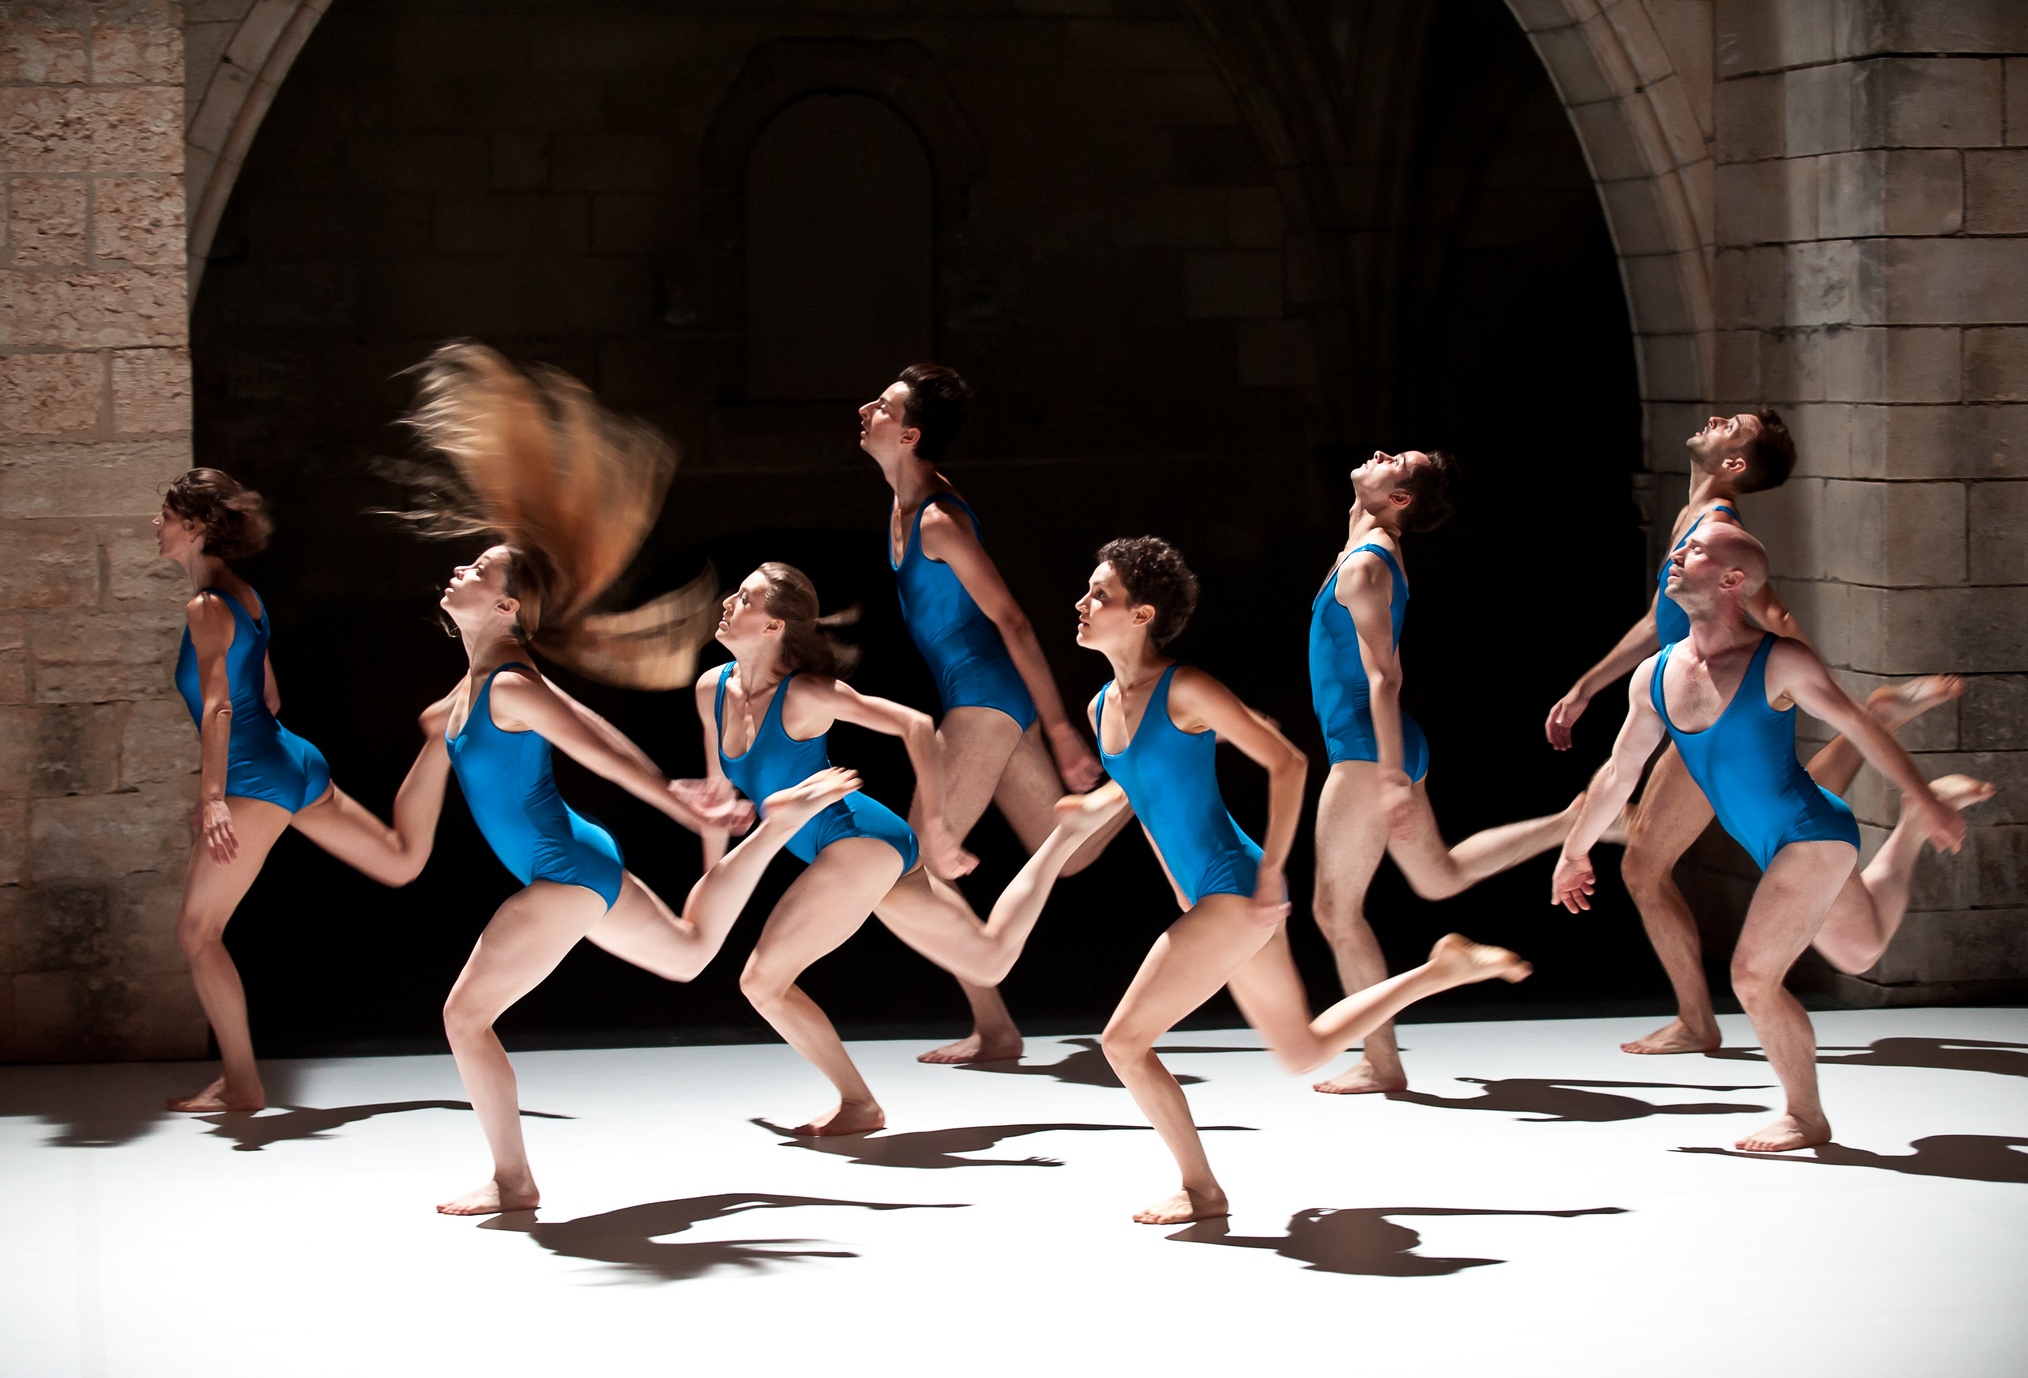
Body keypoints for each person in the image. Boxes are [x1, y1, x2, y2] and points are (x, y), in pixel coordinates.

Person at [395, 342, 776, 1215]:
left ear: (506, 606)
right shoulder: (476, 686)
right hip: (579, 857)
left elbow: (596, 742)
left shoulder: (511, 684)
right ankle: (772, 830)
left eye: (478, 570)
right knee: (688, 956)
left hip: (564, 873)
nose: (459, 571)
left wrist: (671, 794)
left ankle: (513, 1181)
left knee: (463, 1017)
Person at [1078, 536, 1532, 1224]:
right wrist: (1180, 888)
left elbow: (1287, 763)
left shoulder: (1185, 688)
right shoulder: (1101, 707)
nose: (1082, 604)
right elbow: (1149, 810)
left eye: (1099, 594)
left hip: (1238, 887)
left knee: (1122, 1043)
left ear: (1142, 615)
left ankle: (1202, 1190)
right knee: (1303, 1051)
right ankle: (1441, 969)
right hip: (1210, 894)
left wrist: (1269, 873)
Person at [1555, 522, 1991, 1151]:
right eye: (1682, 546)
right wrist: (1575, 850)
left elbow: (1861, 730)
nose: (1678, 554)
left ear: (1732, 581)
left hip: (1812, 834)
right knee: (1862, 950)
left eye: (1697, 551)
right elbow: (1619, 774)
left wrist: (1921, 788)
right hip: (1772, 845)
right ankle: (1911, 831)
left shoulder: (1779, 660)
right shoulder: (1654, 675)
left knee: (1753, 977)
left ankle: (1805, 1116)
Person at [1545, 411, 1963, 1054]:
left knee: (1645, 864)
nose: (1714, 419)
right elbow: (1658, 622)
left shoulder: (1718, 532)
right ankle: (1875, 724)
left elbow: (1772, 614)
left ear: (1735, 464)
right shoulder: (1692, 524)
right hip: (1688, 699)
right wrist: (1589, 684)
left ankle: (1697, 1021)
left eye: (1730, 426)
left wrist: (1791, 691)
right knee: (1840, 929)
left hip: (1712, 706)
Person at [699, 562, 1126, 1136]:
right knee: (989, 959)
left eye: (746, 598)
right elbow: (718, 801)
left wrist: (939, 828)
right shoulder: (712, 689)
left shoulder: (806, 695)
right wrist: (713, 895)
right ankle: (1070, 834)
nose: (728, 602)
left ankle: (858, 1103)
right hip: (853, 849)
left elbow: (916, 726)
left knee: (762, 982)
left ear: (775, 626)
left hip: (860, 842)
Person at [1308, 450, 1604, 1096]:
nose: (1379, 454)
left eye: (1394, 462)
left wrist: (1390, 777)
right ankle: (1575, 820)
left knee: (1335, 911)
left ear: (1401, 500)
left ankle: (1381, 1062)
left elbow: (1385, 677)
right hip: (1382, 743)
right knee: (1438, 876)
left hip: (1367, 749)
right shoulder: (1366, 544)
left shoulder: (1365, 564)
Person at [159, 468, 448, 1115]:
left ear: (196, 526)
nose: (158, 524)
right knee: (401, 861)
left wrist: (215, 798)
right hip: (291, 760)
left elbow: (220, 707)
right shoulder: (245, 597)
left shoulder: (205, 607)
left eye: (168, 514)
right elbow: (269, 698)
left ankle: (242, 1083)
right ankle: (440, 736)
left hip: (255, 777)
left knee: (198, 932)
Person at [860, 365, 1127, 1065]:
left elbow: (1012, 621)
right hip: (981, 697)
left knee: (908, 863)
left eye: (883, 406)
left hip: (985, 698)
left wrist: (1061, 728)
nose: (866, 410)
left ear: (910, 434)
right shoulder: (902, 507)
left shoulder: (938, 521)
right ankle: (1146, 772)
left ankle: (995, 1023)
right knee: (1070, 852)